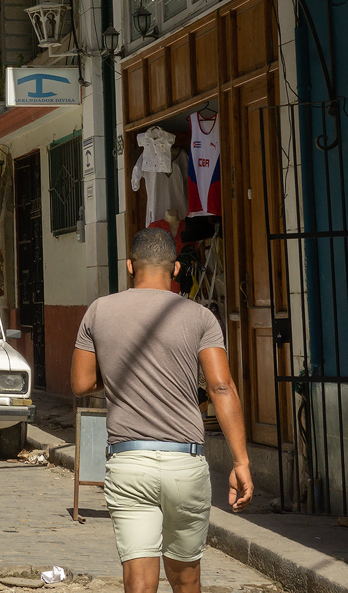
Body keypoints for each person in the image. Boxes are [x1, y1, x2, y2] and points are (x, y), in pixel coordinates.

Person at [71, 227, 252, 593]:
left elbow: (81, 384)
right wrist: (241, 462)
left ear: (128, 266)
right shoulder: (200, 317)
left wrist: (123, 375)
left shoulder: (98, 311)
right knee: (187, 577)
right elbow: (221, 387)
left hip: (129, 463)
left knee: (139, 577)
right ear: (176, 271)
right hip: (185, 464)